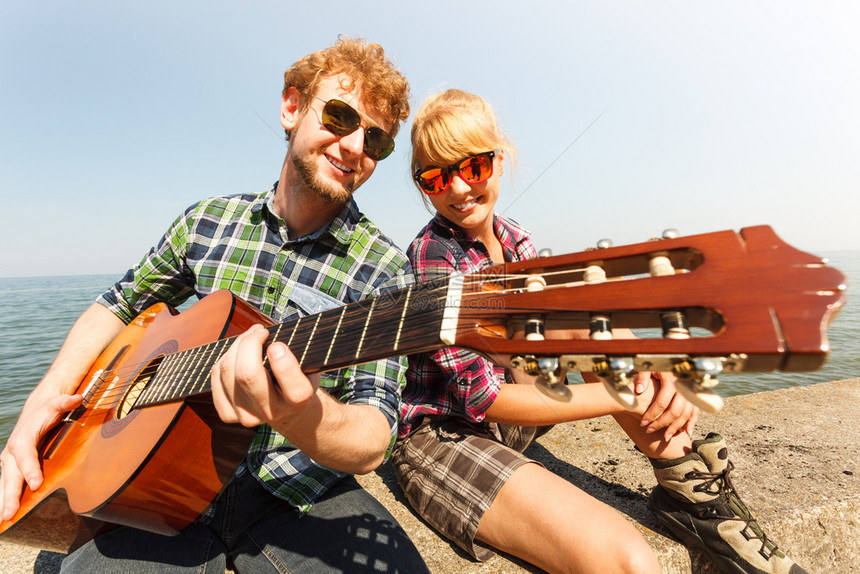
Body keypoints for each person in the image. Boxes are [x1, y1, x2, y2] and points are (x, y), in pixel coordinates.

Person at [0, 37, 429, 574]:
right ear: (291, 108)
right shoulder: (206, 220)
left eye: (376, 141)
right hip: (160, 471)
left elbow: (374, 434)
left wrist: (300, 415)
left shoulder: (386, 269)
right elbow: (118, 303)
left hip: (296, 488)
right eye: (339, 116)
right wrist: (42, 401)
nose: (353, 147)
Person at [390, 89, 807, 574]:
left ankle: (693, 497)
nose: (458, 189)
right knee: (630, 563)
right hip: (445, 437)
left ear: (499, 161)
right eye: (436, 177)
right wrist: (622, 394)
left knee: (585, 325)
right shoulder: (434, 258)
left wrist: (656, 367)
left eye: (473, 167)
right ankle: (698, 503)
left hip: (513, 417)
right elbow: (484, 400)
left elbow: (575, 328)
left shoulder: (513, 237)